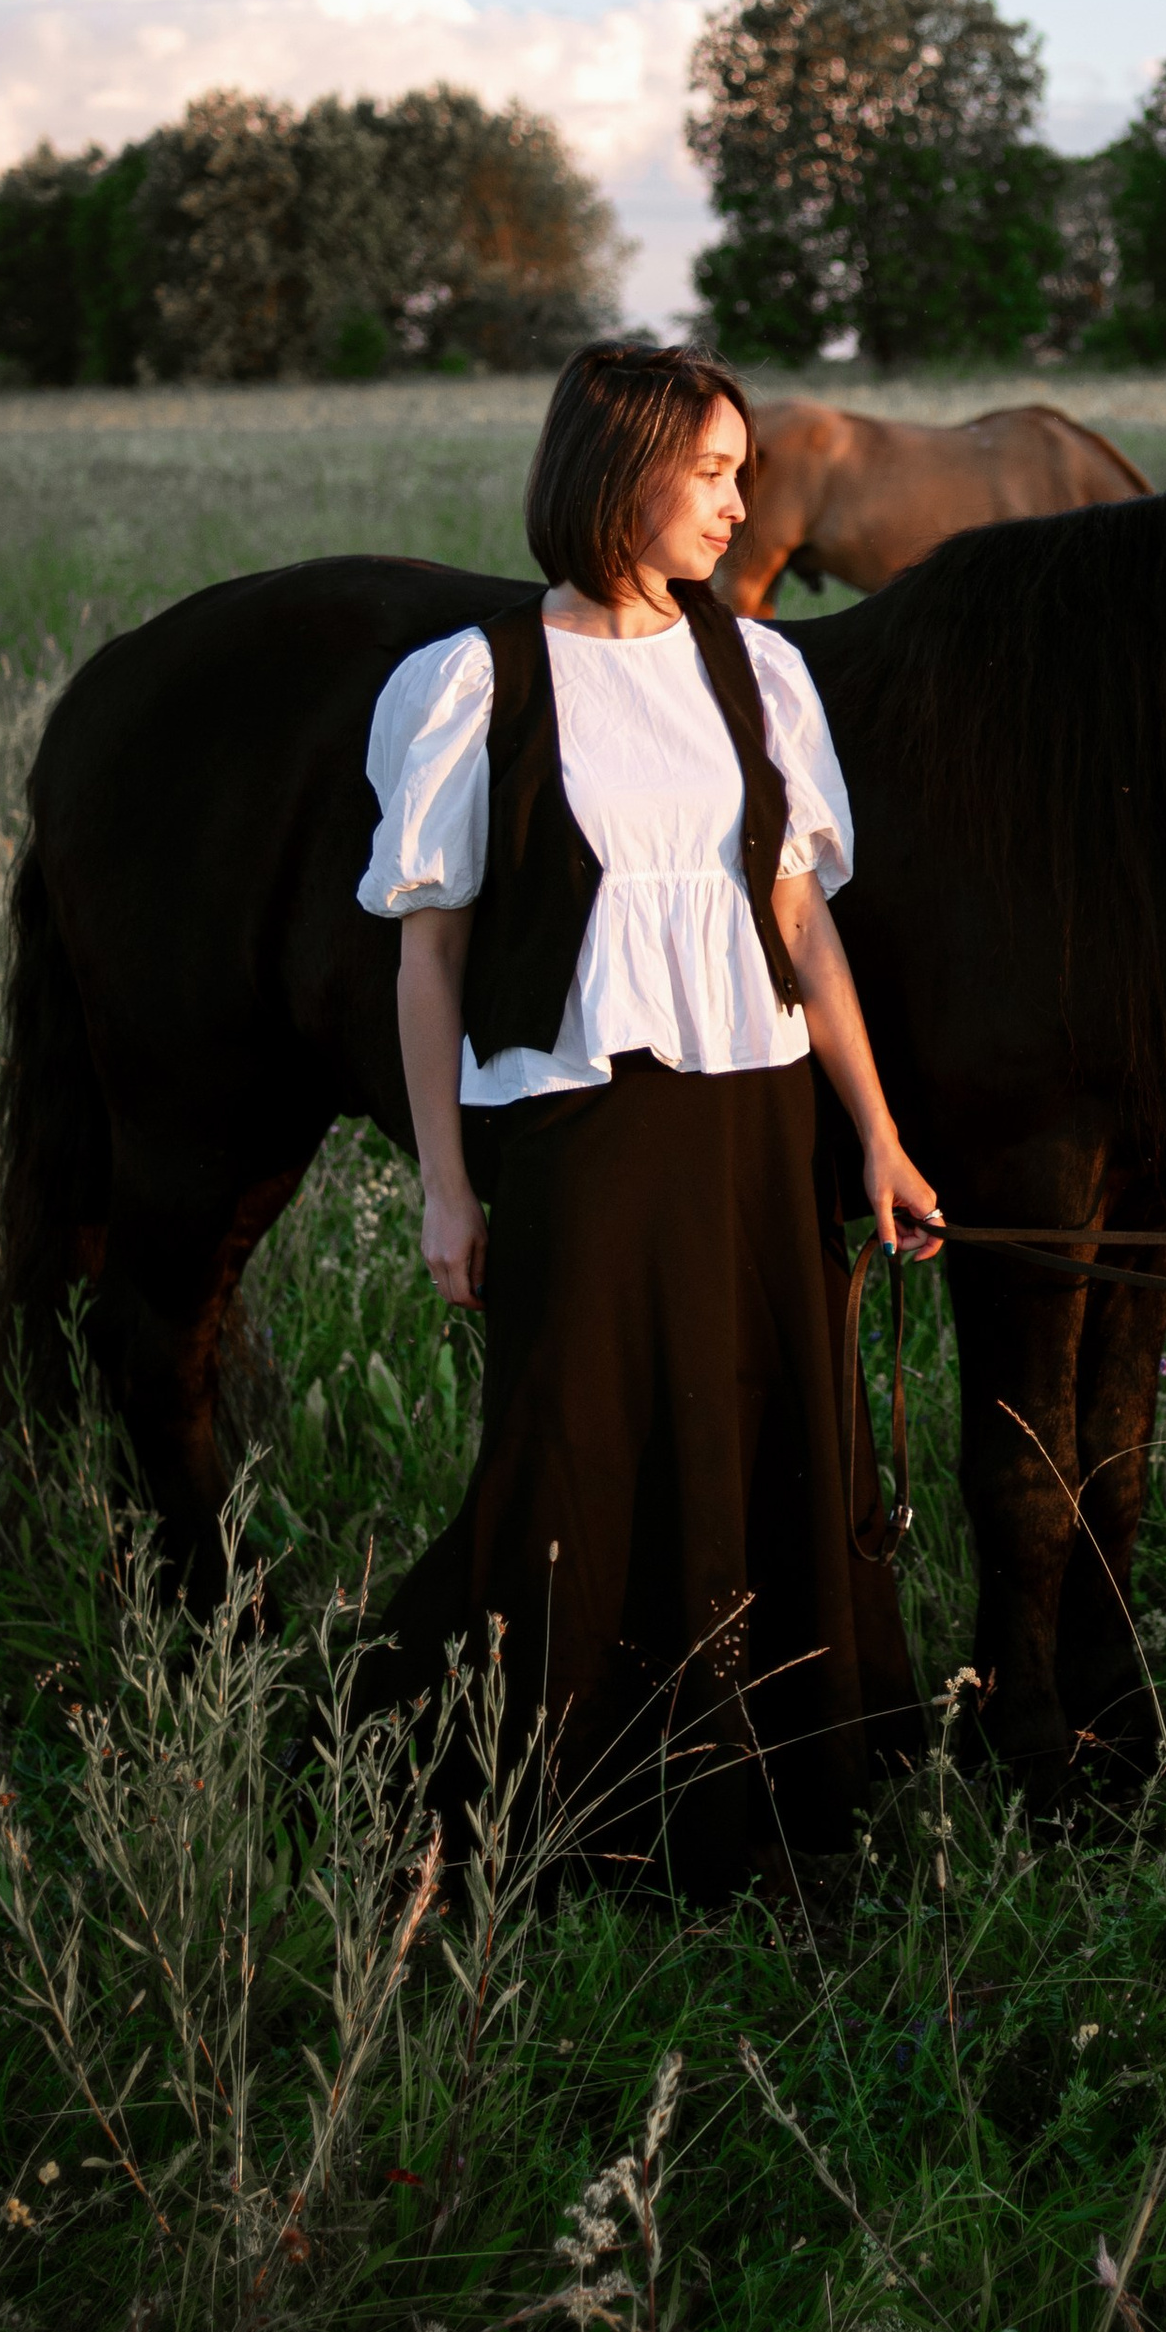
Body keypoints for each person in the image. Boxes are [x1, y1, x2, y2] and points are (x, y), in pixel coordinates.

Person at [349, 341, 939, 1894]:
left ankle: (766, 1794)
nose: (740, 508)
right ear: (619, 472)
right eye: (714, 473)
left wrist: (877, 1134)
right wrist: (445, 1186)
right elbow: (430, 959)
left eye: (743, 474)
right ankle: (559, 1804)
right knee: (577, 1453)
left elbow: (802, 925)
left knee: (767, 1435)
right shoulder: (479, 681)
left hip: (759, 1122)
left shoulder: (758, 671)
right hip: (581, 1131)